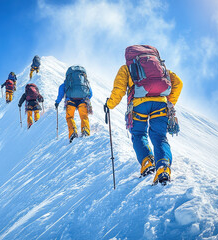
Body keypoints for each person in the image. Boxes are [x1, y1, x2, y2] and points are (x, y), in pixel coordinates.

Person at [104, 45, 183, 185]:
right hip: (160, 104)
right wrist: (169, 102)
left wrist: (109, 105)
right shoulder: (161, 68)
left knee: (139, 134)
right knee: (159, 136)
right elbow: (178, 83)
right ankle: (163, 168)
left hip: (139, 105)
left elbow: (119, 90)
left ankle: (147, 162)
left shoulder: (126, 68)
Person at [55, 65, 93, 143]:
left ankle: (73, 132)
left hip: (70, 101)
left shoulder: (66, 83)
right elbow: (90, 94)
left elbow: (61, 92)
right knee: (84, 116)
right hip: (83, 100)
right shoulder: (84, 82)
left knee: (70, 117)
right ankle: (85, 131)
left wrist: (57, 102)